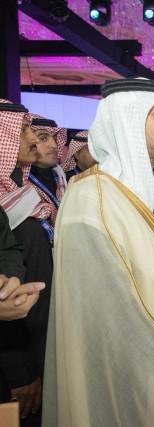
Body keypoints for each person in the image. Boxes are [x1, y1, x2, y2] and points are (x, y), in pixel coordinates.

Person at [42, 78, 154, 427]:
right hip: (127, 377)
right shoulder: (90, 199)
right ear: (126, 120)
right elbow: (108, 316)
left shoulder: (152, 192)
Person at [0, 101, 57, 425]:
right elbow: (7, 295)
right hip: (19, 360)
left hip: (39, 341)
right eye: (23, 131)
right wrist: (22, 372)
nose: (33, 139)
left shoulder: (19, 193)